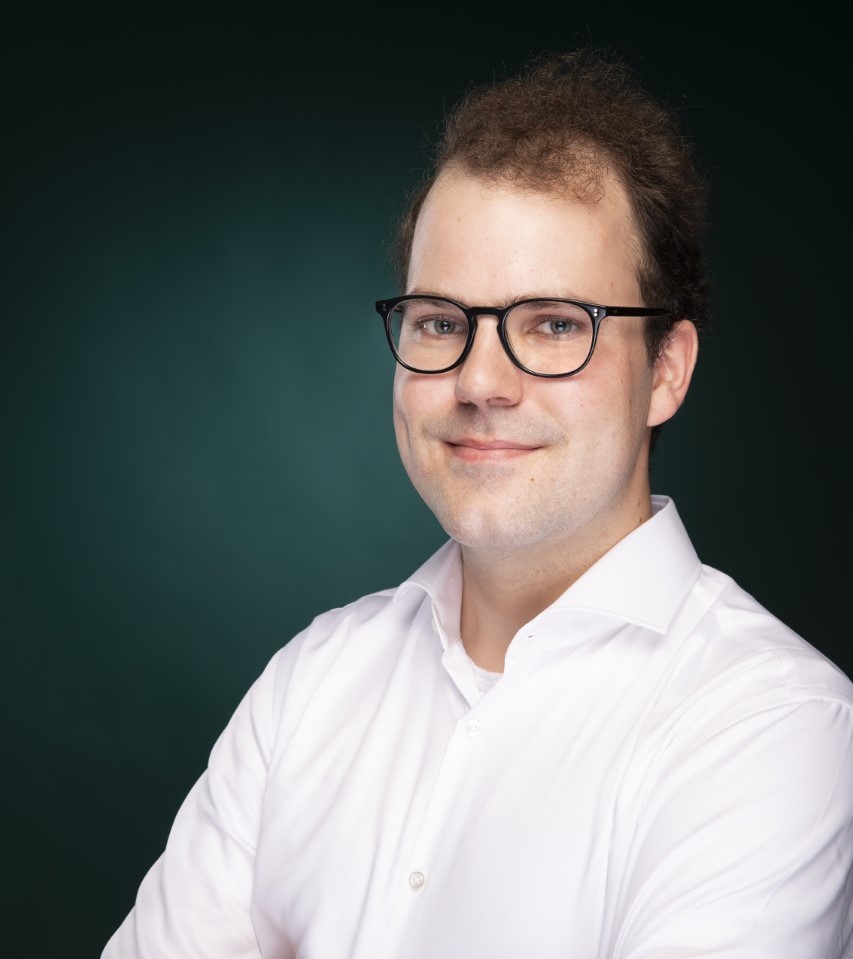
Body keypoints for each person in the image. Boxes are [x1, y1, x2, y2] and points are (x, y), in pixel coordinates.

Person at [103, 49, 853, 958]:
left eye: (554, 324)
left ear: (665, 370)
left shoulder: (773, 725)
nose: (480, 381)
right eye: (440, 322)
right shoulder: (312, 681)